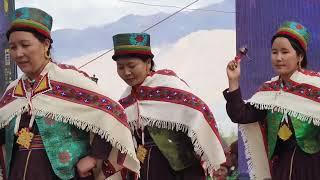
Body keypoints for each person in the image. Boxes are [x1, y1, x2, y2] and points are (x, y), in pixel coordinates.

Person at [0, 7, 139, 180]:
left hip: (64, 175)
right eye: (13, 47)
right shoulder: (12, 92)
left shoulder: (69, 82)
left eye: (25, 45)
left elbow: (113, 114)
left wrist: (94, 157)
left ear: (45, 45)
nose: (18, 53)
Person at [111, 32, 226, 179]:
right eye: (120, 67)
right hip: (146, 168)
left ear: (148, 63)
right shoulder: (126, 99)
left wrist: (213, 155)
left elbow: (200, 112)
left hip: (181, 171)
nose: (126, 72)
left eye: (132, 65)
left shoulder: (169, 86)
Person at [224, 21, 320, 180]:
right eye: (274, 52)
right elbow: (240, 115)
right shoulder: (269, 91)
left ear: (300, 56)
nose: (279, 58)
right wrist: (233, 81)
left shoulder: (315, 87)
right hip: (280, 168)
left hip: (312, 167)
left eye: (284, 52)